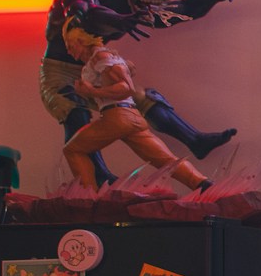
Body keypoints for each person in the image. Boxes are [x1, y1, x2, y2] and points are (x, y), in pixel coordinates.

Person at [40, 0, 238, 184]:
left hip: (98, 81)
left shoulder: (108, 51)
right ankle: (98, 174)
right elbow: (81, 12)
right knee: (73, 107)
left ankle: (194, 141)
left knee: (145, 101)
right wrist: (117, 20)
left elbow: (177, 11)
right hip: (58, 70)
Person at [61, 22, 209, 191]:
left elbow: (126, 87)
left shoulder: (100, 57)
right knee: (164, 159)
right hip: (131, 118)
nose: (69, 50)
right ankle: (202, 184)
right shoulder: (102, 58)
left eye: (70, 45)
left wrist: (92, 90)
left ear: (82, 41)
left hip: (117, 117)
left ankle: (88, 198)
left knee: (73, 150)